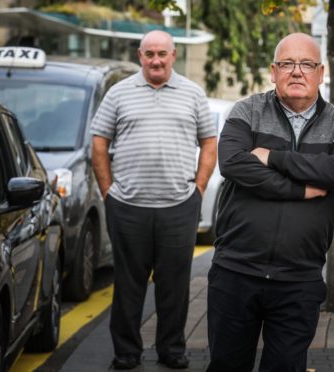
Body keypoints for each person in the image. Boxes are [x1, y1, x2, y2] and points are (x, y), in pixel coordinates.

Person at [207, 33, 334, 372]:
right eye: (288, 64)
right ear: (273, 71)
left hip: (299, 279)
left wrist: (272, 156)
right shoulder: (247, 110)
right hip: (236, 272)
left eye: (306, 64)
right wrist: (301, 189)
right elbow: (233, 163)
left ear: (320, 73)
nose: (296, 71)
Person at [91, 30, 217, 370]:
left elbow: (209, 141)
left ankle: (172, 350)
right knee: (128, 284)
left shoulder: (192, 94)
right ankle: (126, 352)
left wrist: (199, 190)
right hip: (128, 207)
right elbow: (99, 142)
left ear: (173, 55)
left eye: (162, 53)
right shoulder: (119, 94)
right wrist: (109, 192)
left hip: (179, 207)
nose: (156, 60)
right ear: (140, 56)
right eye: (150, 54)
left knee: (174, 286)